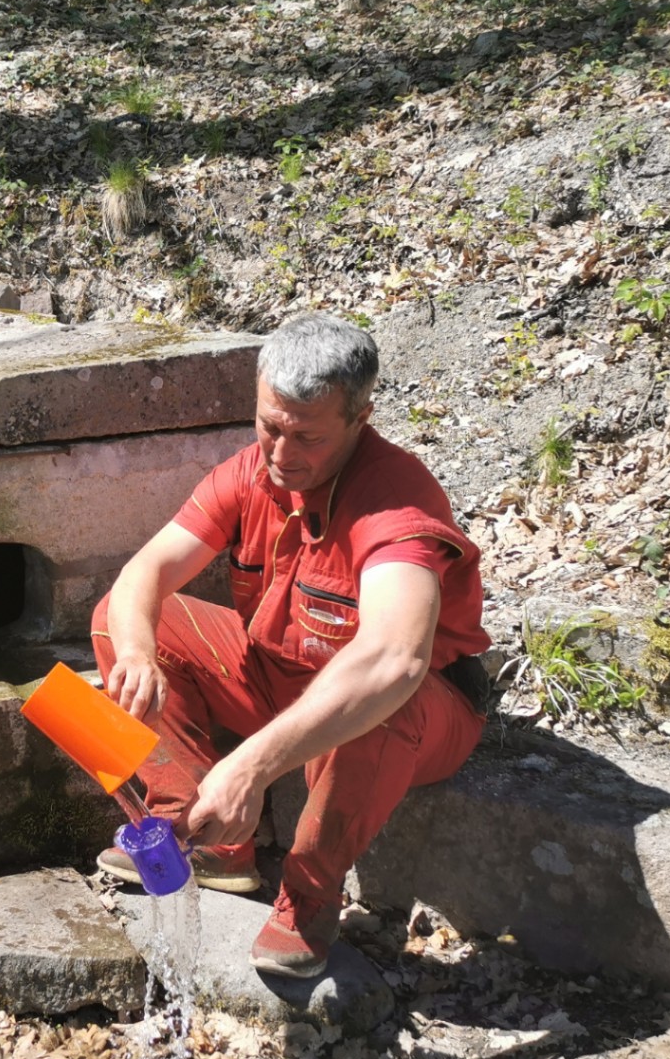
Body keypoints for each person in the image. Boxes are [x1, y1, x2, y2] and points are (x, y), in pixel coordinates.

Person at [90, 312, 490, 978]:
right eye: (269, 426)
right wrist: (134, 655)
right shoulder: (251, 473)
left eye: (306, 436)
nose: (280, 453)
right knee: (120, 617)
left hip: (417, 711)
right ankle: (201, 836)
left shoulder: (395, 503)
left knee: (380, 698)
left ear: (361, 417)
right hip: (282, 676)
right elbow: (145, 574)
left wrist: (248, 769)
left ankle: (309, 893)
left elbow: (394, 659)